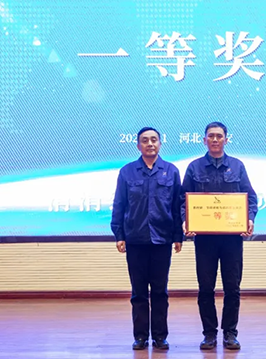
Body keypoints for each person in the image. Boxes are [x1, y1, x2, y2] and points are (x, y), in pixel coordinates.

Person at [181, 122, 258, 351]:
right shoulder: (194, 167)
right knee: (205, 288)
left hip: (232, 239)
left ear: (226, 139)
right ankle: (209, 334)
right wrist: (186, 220)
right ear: (204, 140)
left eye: (219, 136)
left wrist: (249, 219)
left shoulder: (237, 166)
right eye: (211, 136)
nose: (215, 140)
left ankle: (230, 333)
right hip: (204, 240)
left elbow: (251, 199)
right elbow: (182, 200)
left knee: (232, 288)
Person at [110, 127, 183, 351]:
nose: (150, 143)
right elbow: (119, 204)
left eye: (154, 140)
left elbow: (177, 206)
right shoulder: (127, 172)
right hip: (135, 240)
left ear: (160, 143)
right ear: (138, 145)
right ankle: (140, 336)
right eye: (145, 140)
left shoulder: (171, 171)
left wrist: (178, 236)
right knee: (139, 292)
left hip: (162, 240)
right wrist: (119, 234)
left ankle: (160, 337)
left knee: (160, 291)